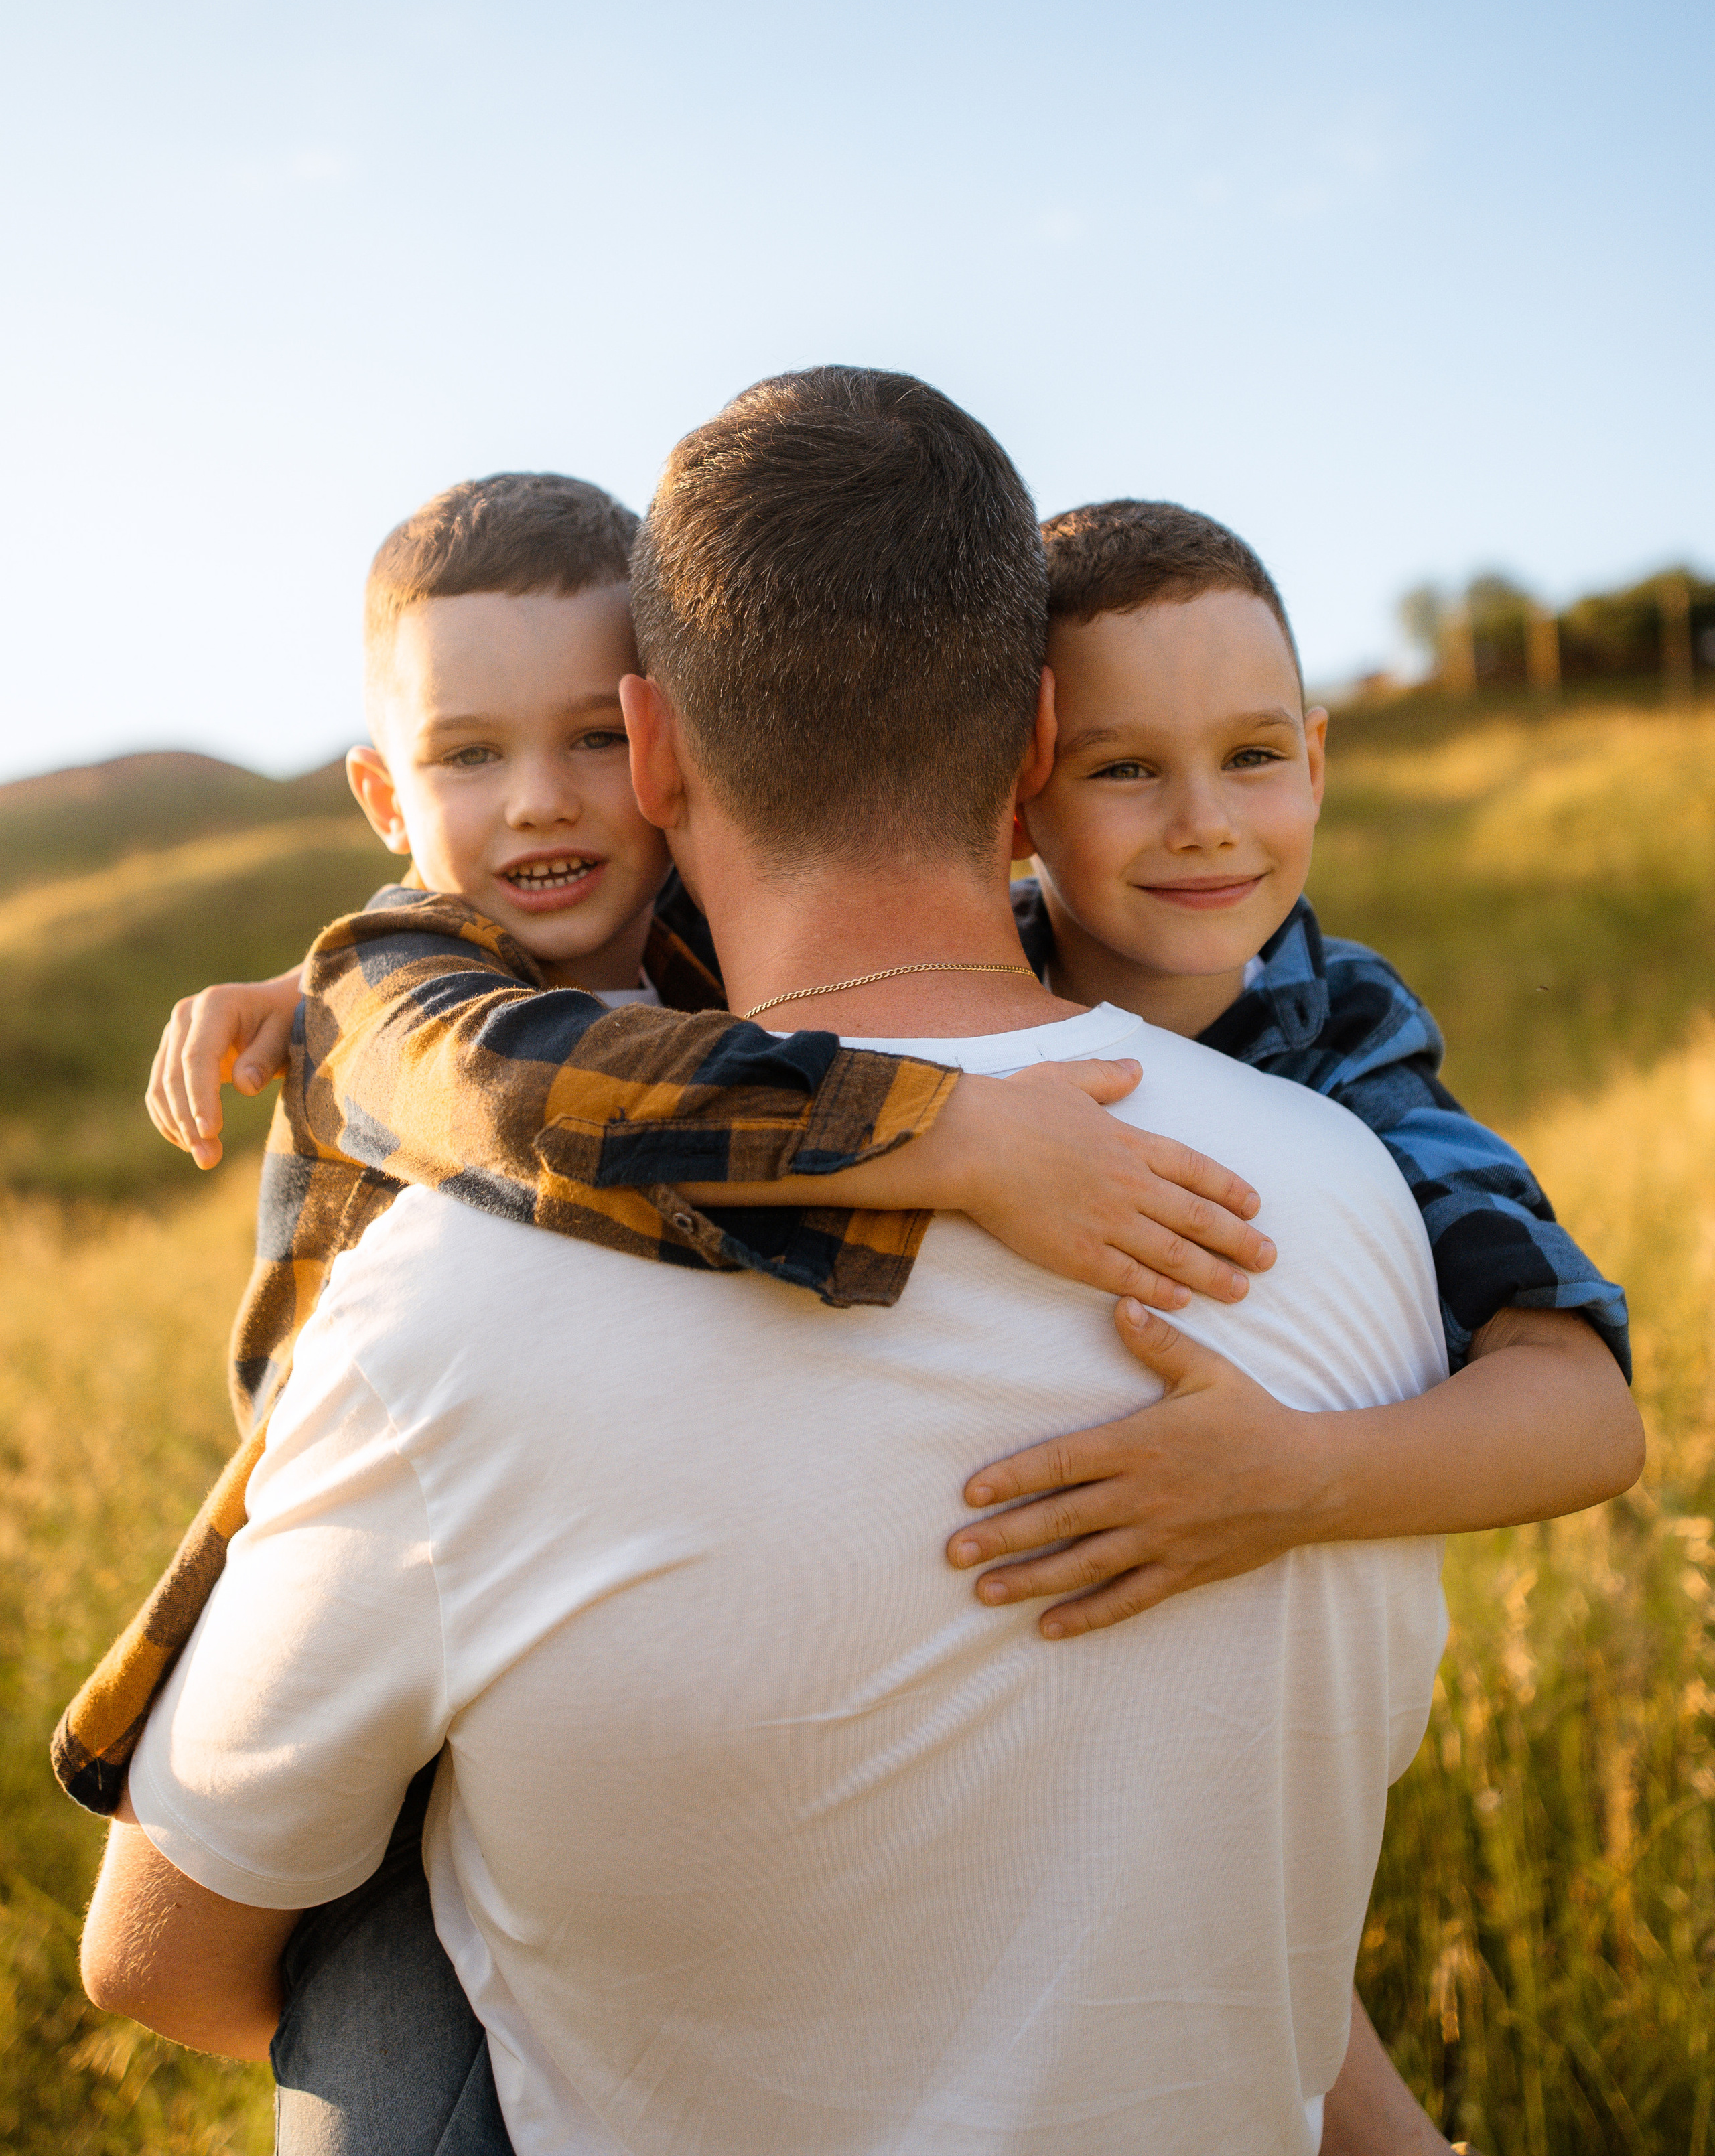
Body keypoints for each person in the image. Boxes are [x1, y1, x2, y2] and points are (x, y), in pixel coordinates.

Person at [83, 369, 1641, 2151]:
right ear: (1036, 744)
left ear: (657, 750)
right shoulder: (1360, 1205)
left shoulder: (454, 1289)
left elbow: (162, 1958)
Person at [943, 495, 1634, 1632]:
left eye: (1252, 755)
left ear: (1314, 762)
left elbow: (1587, 1411)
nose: (1206, 821)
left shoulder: (1348, 1038)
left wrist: (1295, 1479)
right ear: (1016, 790)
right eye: (1124, 769)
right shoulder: (948, 989)